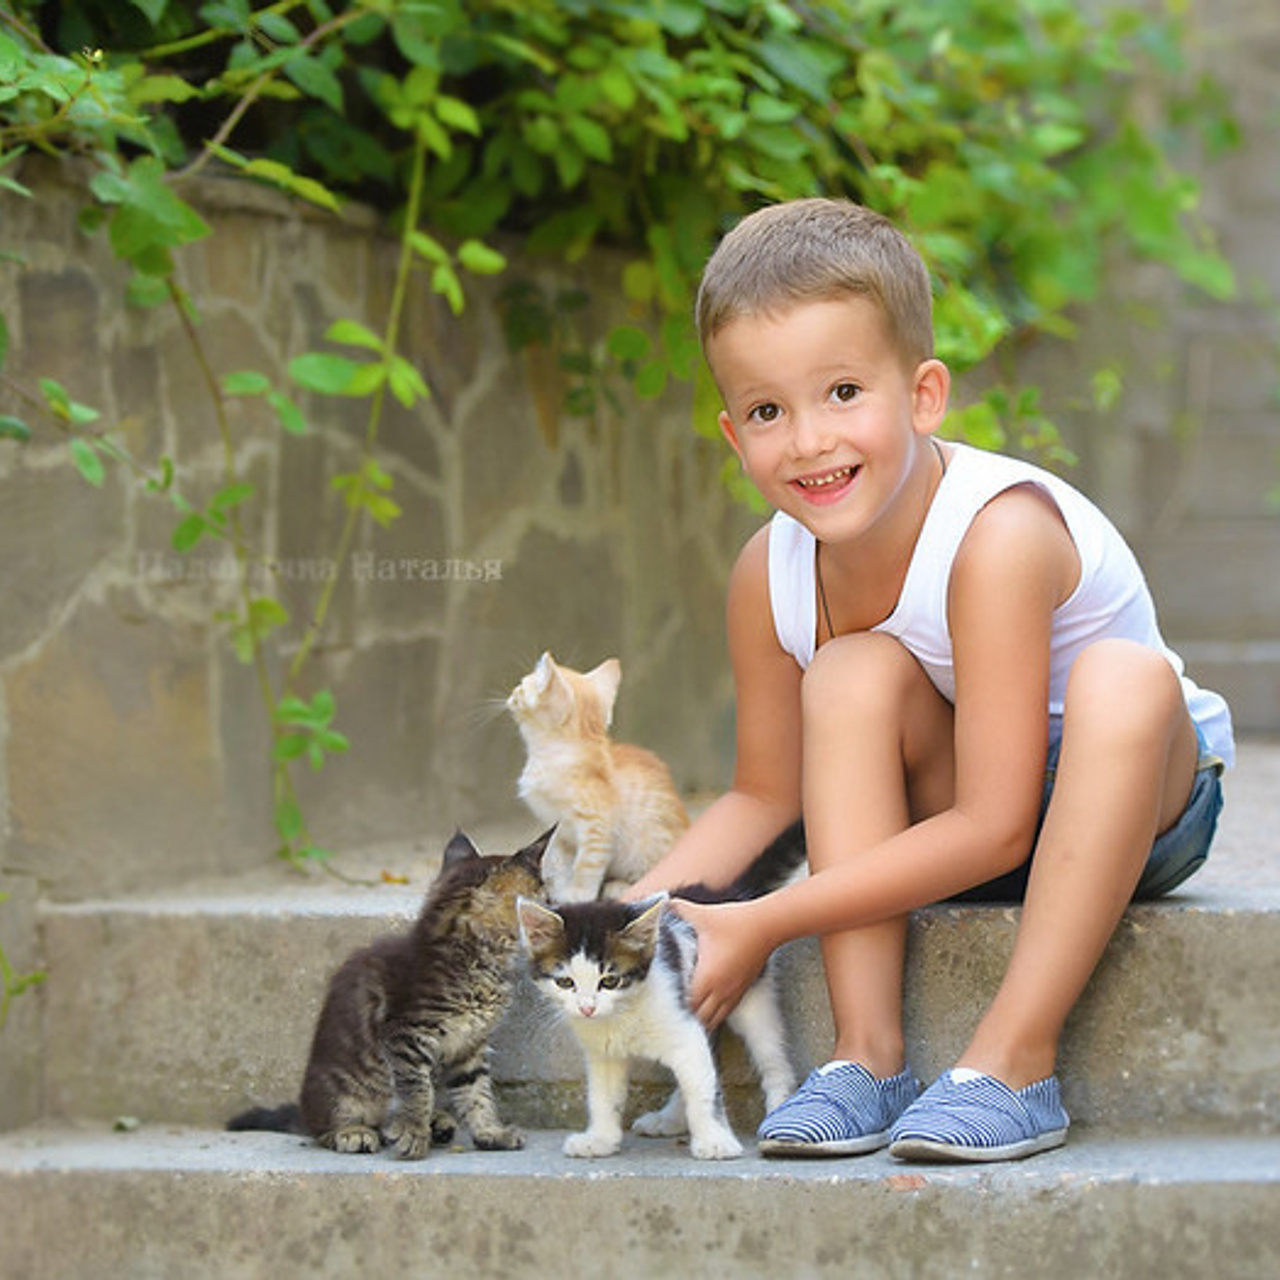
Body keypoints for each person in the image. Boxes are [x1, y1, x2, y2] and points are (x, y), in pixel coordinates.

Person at [626, 197, 1232, 1163]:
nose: (811, 441)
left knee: (1126, 677)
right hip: (957, 818)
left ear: (922, 396)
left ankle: (1015, 1062)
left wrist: (764, 920)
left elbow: (998, 821)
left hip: (1133, 803)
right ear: (734, 437)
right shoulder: (767, 572)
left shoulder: (995, 534)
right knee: (851, 671)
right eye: (769, 411)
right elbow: (763, 794)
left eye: (842, 393)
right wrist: (630, 922)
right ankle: (866, 1057)